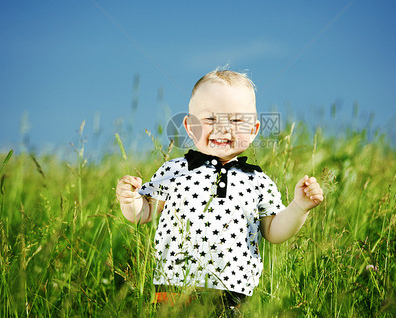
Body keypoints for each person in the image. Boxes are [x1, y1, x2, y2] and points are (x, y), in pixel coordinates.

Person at [115, 69, 324, 312]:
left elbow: (274, 231)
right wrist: (130, 200)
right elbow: (146, 213)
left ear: (254, 130)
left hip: (230, 292)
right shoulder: (176, 171)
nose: (223, 129)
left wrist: (299, 208)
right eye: (211, 120)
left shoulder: (257, 180)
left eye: (236, 121)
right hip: (173, 287)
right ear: (190, 127)